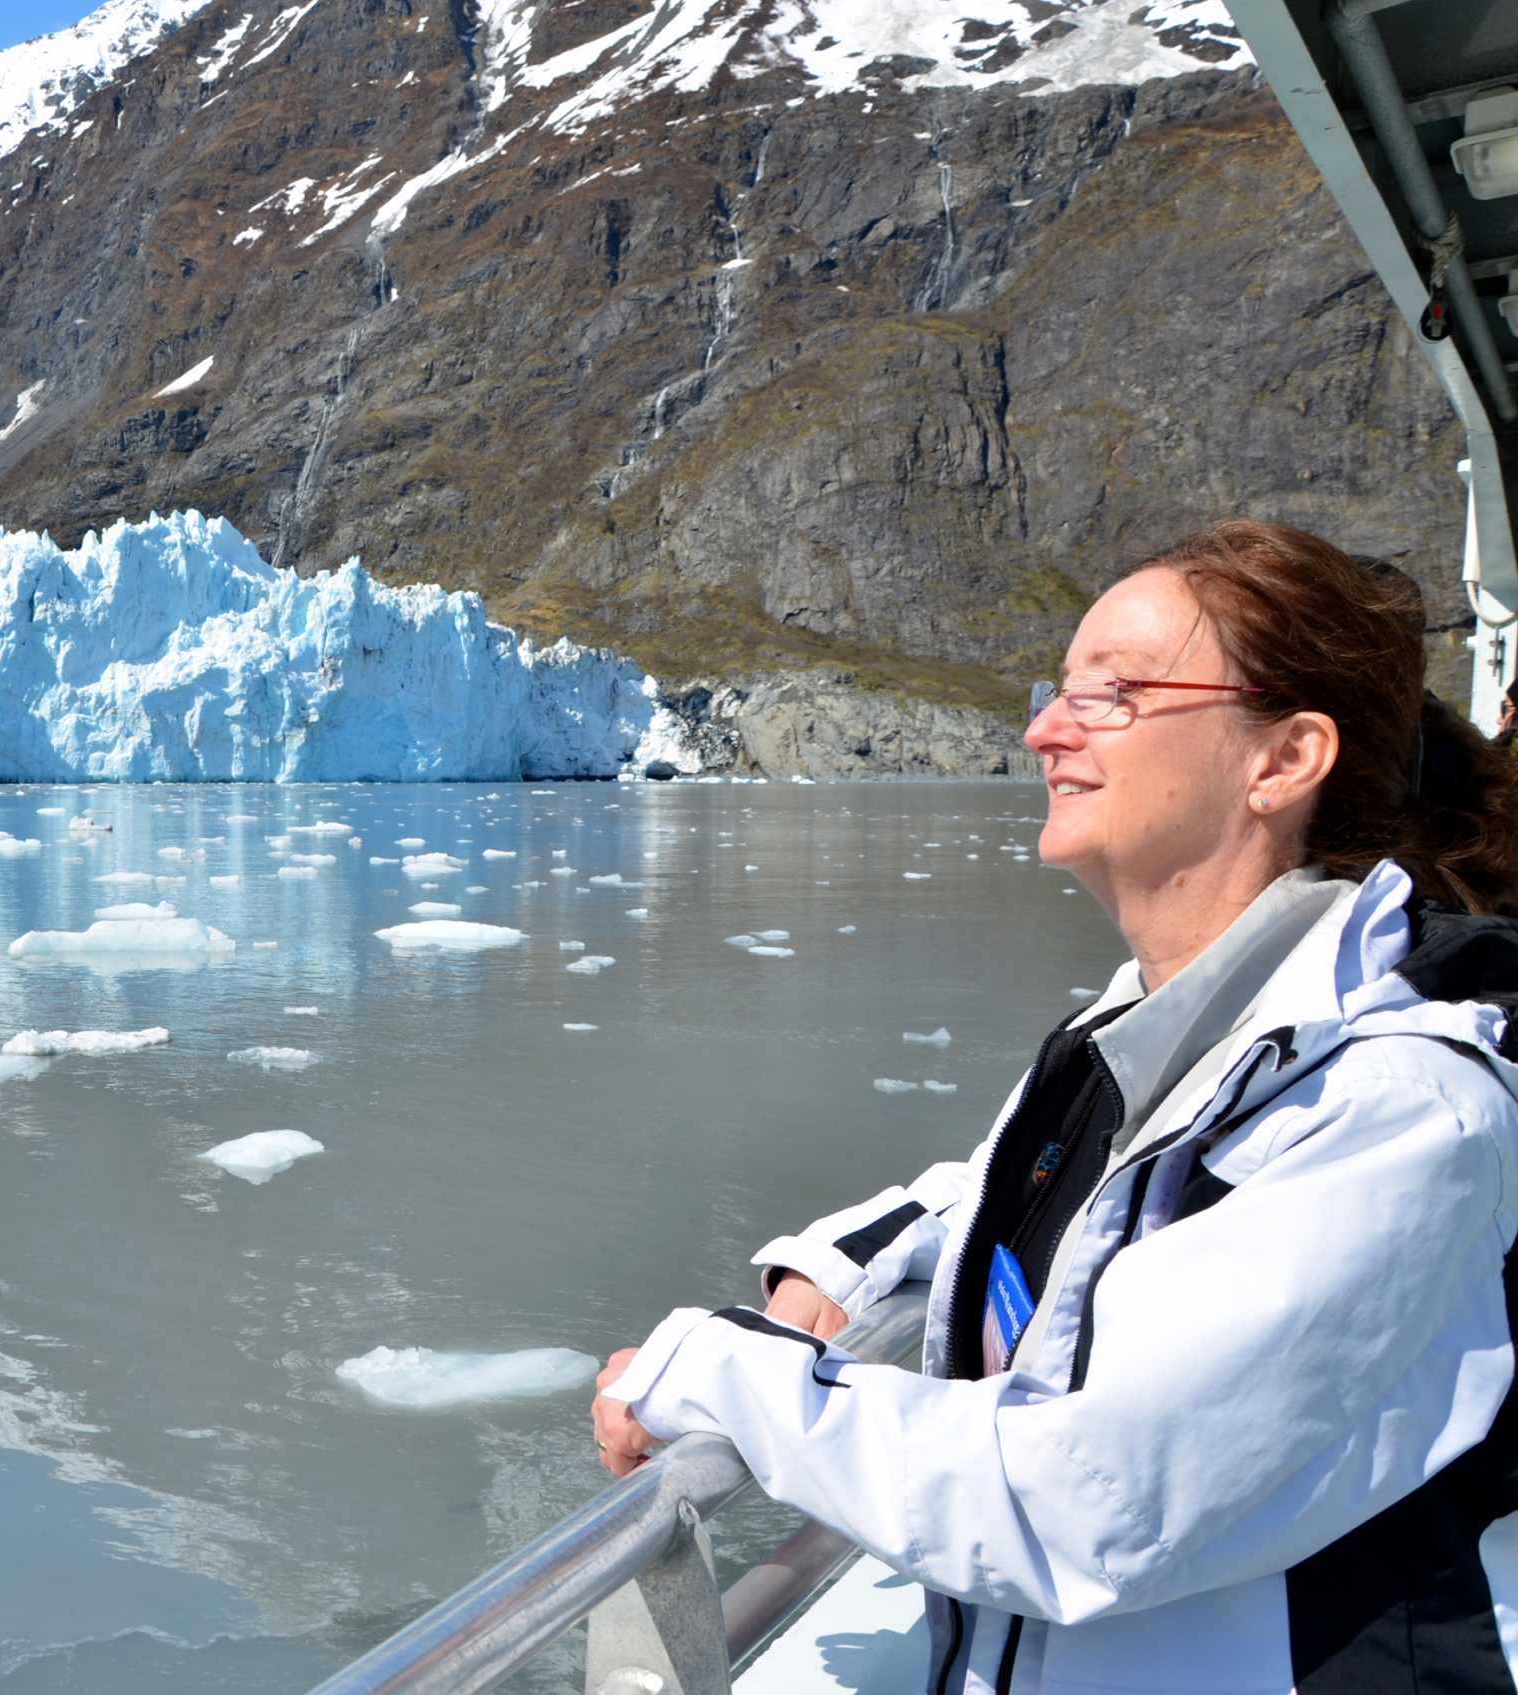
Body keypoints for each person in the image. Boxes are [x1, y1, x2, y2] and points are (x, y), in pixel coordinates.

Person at [590, 518, 1518, 1694]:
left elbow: (1085, 1501)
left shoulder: (1397, 1107)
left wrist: (712, 1369)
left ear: (1281, 759)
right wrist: (849, 1262)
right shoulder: (1149, 1032)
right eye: (1056, 689)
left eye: (1115, 694)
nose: (1042, 729)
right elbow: (1053, 1203)